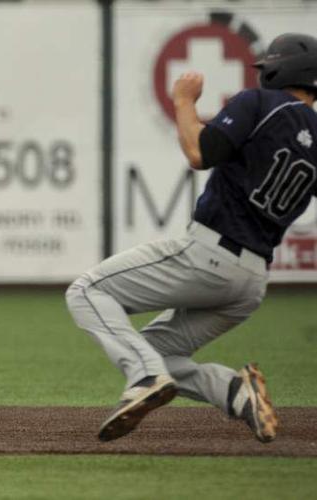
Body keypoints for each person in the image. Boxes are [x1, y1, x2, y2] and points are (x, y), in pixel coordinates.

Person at [66, 32, 317, 443]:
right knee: (156, 348)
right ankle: (235, 392)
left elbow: (200, 153)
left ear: (278, 67)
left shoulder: (258, 102)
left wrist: (184, 101)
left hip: (211, 255)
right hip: (251, 283)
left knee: (86, 291)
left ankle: (144, 377)